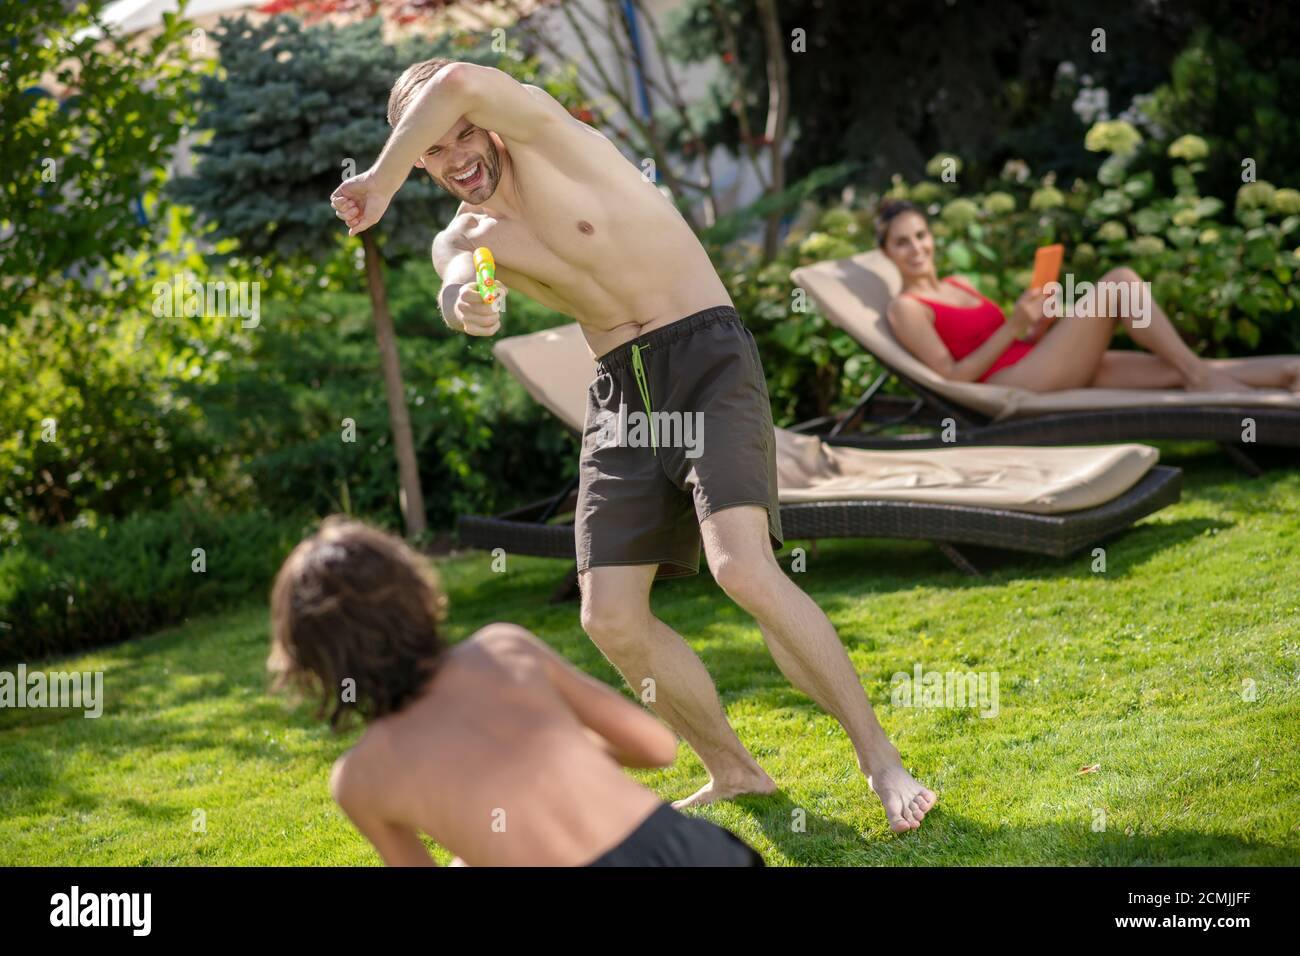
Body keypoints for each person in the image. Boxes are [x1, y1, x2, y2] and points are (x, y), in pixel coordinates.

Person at [328, 59, 935, 832]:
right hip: (620, 389)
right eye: (435, 153)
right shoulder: (467, 235)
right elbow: (455, 282)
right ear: (421, 159)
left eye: (464, 137)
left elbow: (454, 83)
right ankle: (735, 770)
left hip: (705, 354)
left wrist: (375, 184)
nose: (457, 159)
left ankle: (881, 758)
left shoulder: (552, 137)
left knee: (742, 567)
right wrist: (466, 305)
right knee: (608, 617)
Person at [268, 516, 764, 867]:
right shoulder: (503, 649)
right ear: (415, 592)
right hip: (694, 852)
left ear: (312, 666)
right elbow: (656, 747)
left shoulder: (359, 779)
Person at [877, 199, 1300, 392]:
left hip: (1037, 361)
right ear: (886, 252)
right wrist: (1014, 326)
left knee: (1176, 370)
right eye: (902, 243)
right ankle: (1202, 377)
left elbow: (1016, 338)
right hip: (1013, 384)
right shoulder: (906, 308)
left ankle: (1288, 371)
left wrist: (1037, 325)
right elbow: (952, 377)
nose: (917, 249)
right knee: (1119, 281)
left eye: (920, 236)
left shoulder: (959, 285)